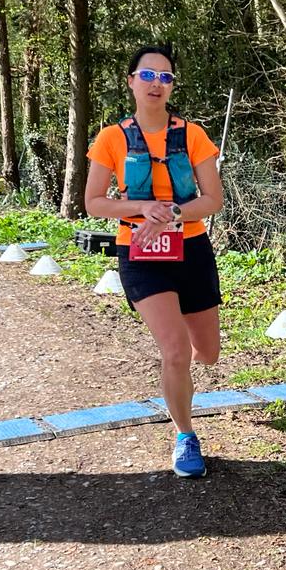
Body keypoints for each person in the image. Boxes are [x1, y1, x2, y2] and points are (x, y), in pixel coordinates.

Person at [85, 46, 224, 478]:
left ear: (172, 87)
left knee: (208, 353)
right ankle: (185, 437)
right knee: (176, 350)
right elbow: (93, 203)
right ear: (131, 81)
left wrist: (175, 213)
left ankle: (183, 347)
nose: (156, 84)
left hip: (192, 250)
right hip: (141, 254)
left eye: (165, 78)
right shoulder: (111, 138)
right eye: (147, 75)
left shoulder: (193, 135)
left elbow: (212, 199)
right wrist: (144, 208)